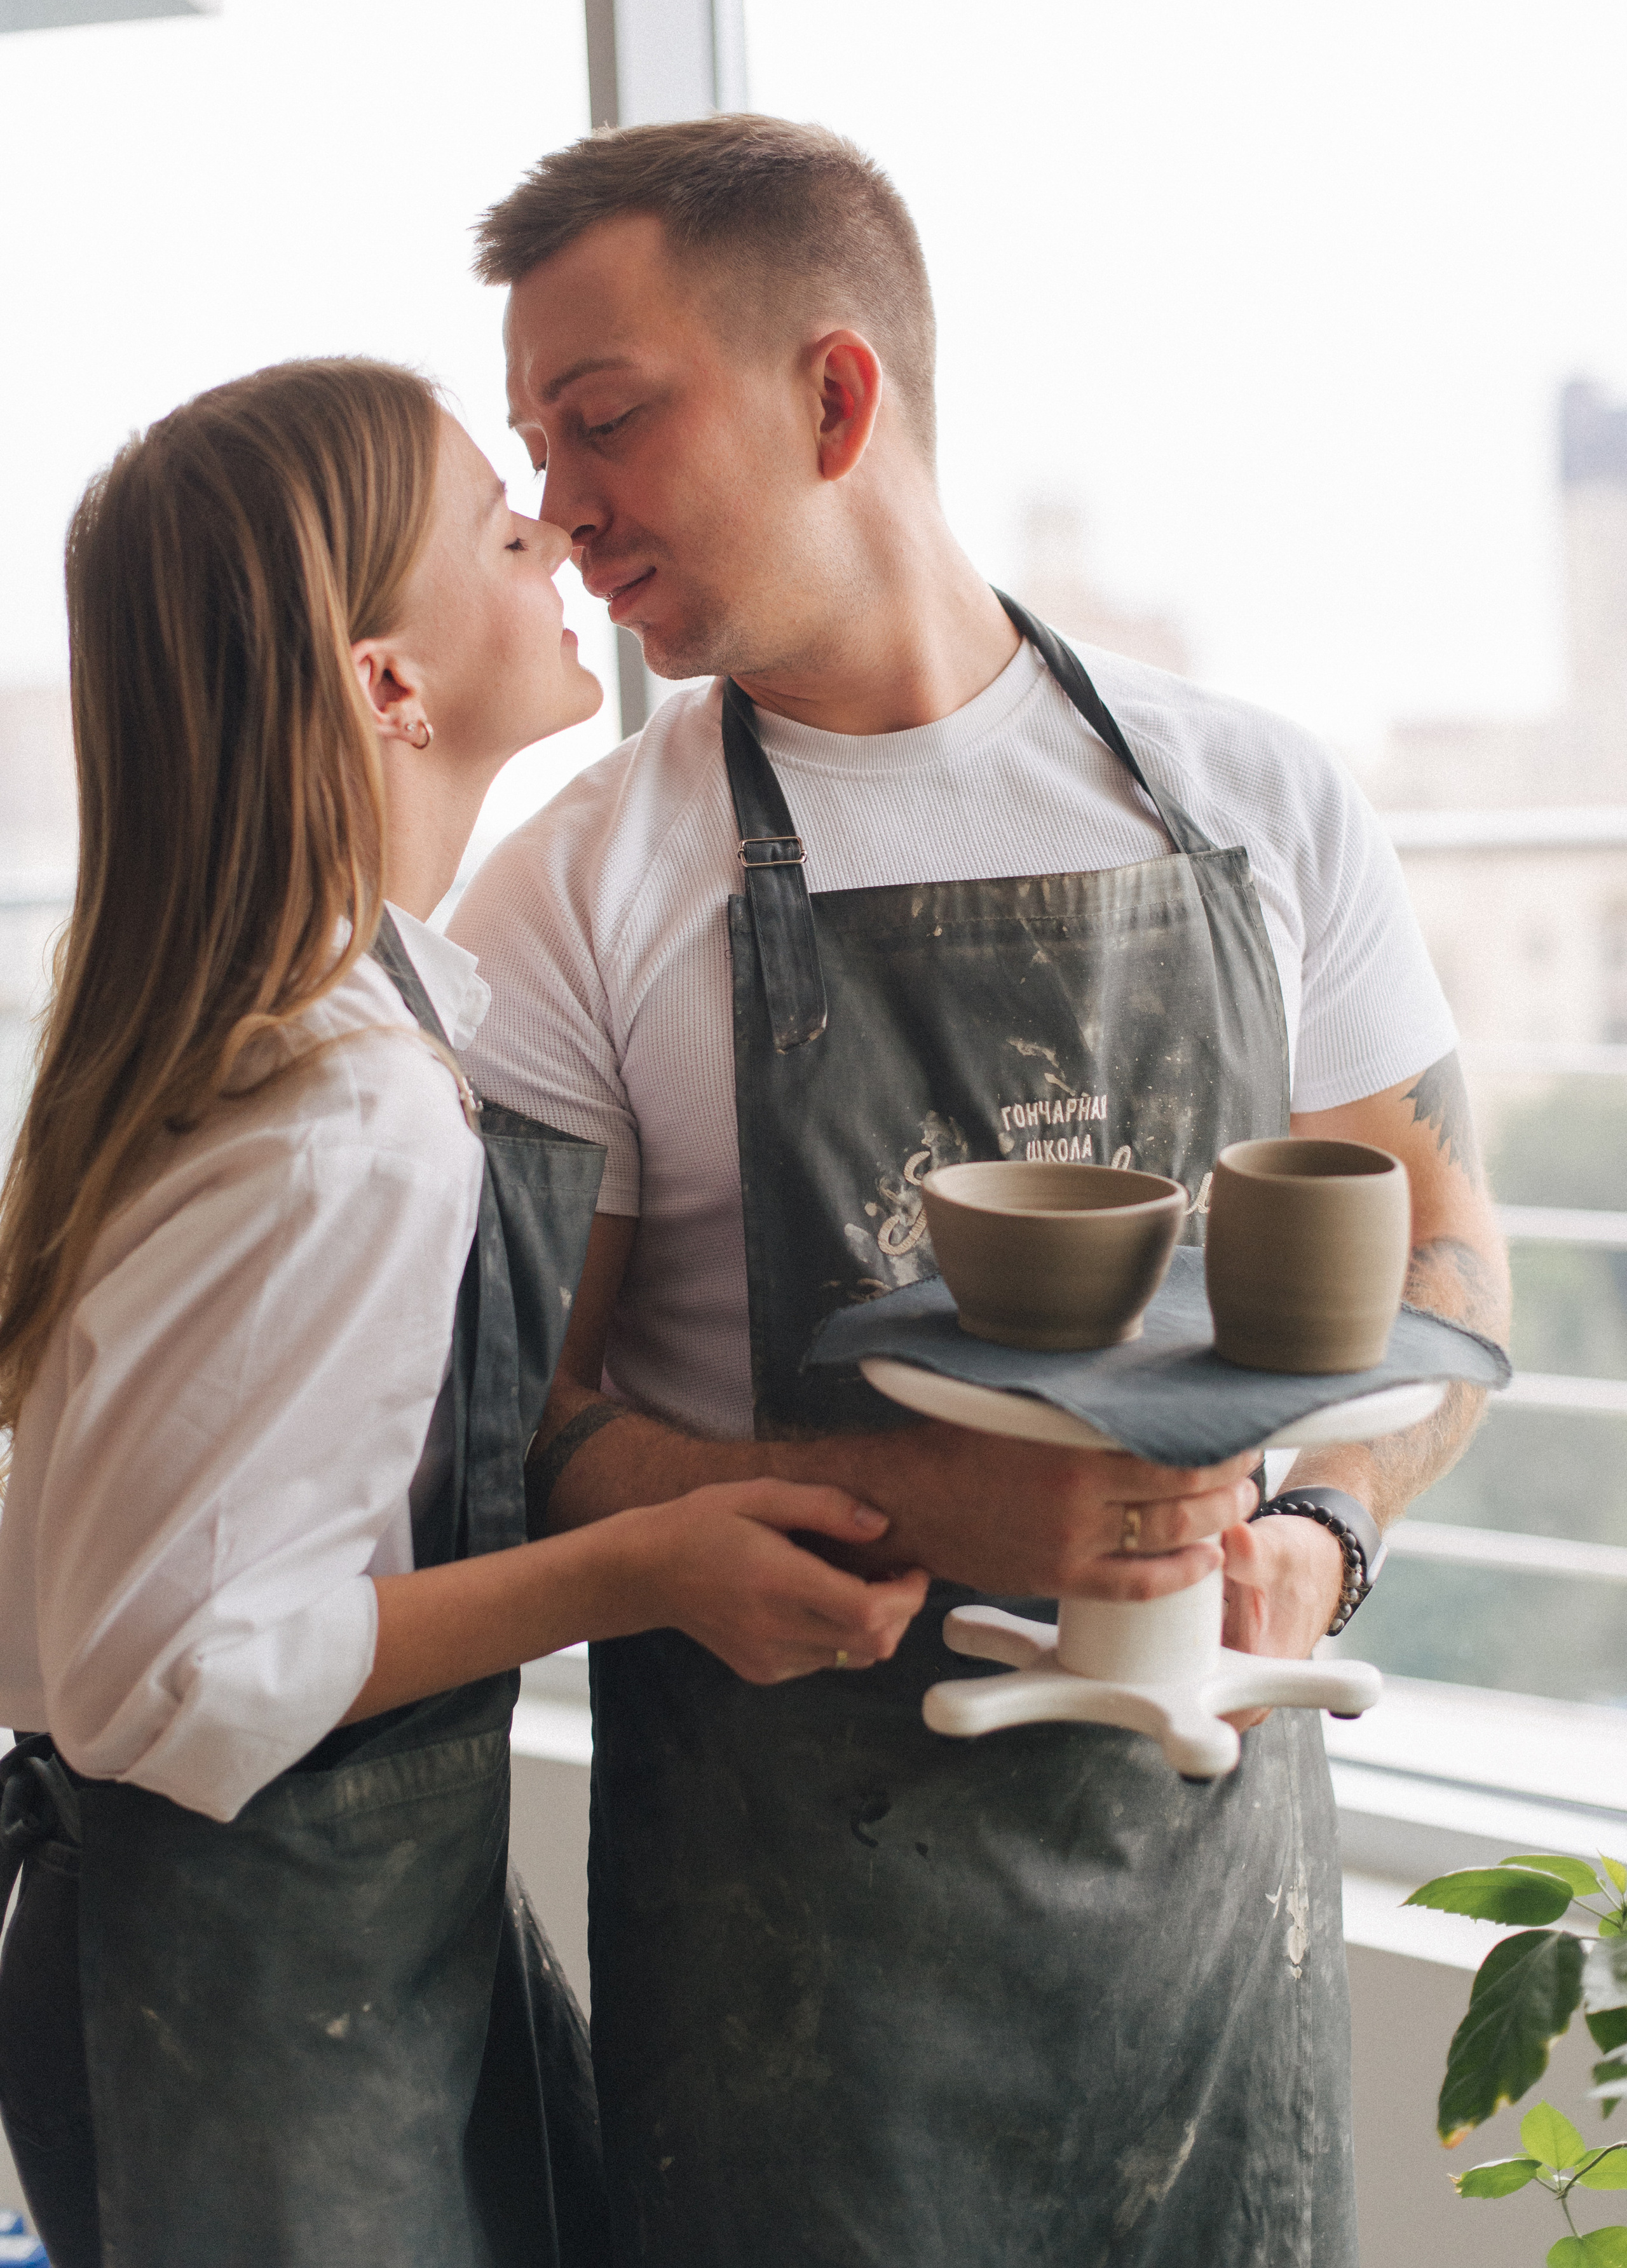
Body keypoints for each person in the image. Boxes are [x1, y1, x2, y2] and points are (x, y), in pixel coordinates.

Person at [450, 117, 1511, 2268]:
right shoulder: (576, 891)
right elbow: (517, 1438)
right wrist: (945, 1510)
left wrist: (1312, 1534)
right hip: (793, 1997)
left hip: (1212, 1955)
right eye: (531, 445)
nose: (557, 512)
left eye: (604, 421)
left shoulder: (1257, 803)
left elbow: (1461, 1268)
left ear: (836, 396)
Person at [0, 356, 929, 2268]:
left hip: (299, 1947)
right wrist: (644, 1565)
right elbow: (162, 1678)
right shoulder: (345, 1116)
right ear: (388, 689)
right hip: (246, 2007)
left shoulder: (299, 1044)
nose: (566, 540)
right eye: (508, 534)